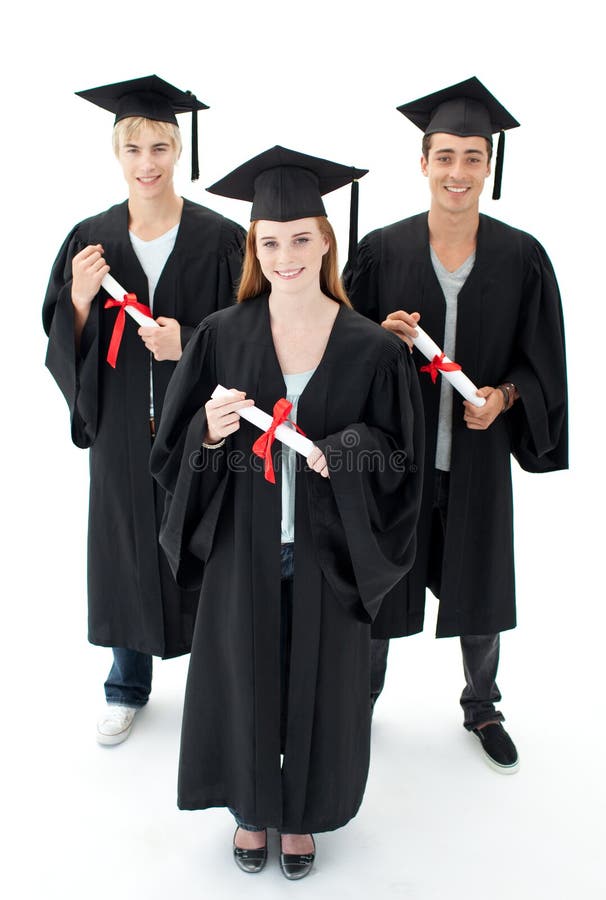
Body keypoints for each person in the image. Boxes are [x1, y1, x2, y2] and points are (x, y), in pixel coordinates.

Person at [149, 146, 424, 878]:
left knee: (323, 684)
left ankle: (302, 814)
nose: (285, 255)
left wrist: (350, 448)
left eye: (301, 237)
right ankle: (249, 807)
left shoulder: (371, 348)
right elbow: (175, 447)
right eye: (269, 242)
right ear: (253, 248)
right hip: (244, 542)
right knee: (242, 674)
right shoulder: (221, 335)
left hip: (329, 549)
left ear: (328, 239)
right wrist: (209, 428)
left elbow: (400, 457)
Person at [343, 77, 568, 774]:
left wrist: (503, 397)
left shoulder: (520, 256)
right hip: (398, 460)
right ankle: (359, 698)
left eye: (473, 157)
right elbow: (338, 347)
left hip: (475, 458)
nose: (458, 172)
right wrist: (380, 337)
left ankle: (482, 703)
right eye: (445, 157)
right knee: (377, 579)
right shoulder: (383, 251)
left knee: (481, 585)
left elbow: (544, 362)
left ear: (489, 165)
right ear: (423, 164)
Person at [43, 75, 245, 746]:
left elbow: (253, 328)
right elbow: (61, 336)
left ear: (178, 149)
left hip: (199, 431)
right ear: (116, 153)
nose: (148, 162)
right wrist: (77, 299)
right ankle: (126, 685)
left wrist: (187, 343)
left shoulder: (221, 238)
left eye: (160, 145)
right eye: (134, 148)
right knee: (127, 546)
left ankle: (216, 688)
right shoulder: (91, 240)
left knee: (208, 545)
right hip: (125, 432)